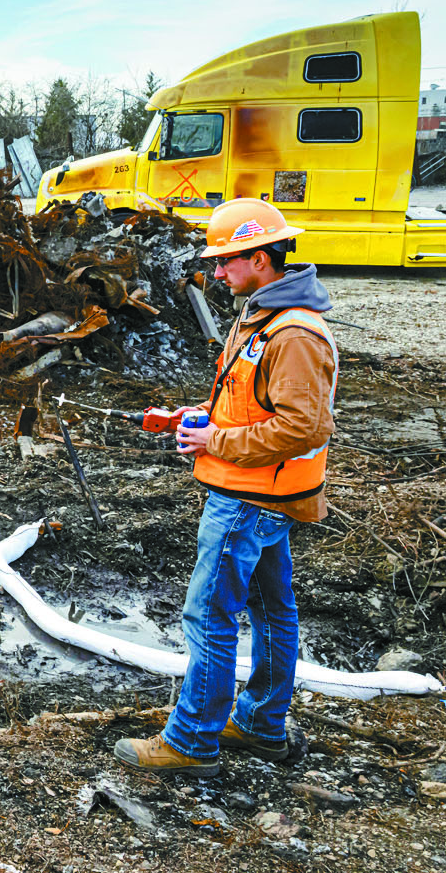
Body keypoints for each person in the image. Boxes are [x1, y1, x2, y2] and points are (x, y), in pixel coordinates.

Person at [115, 198, 337, 777]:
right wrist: (202, 417)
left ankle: (191, 741)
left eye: (225, 261)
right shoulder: (261, 315)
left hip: (250, 498)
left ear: (260, 259)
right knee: (271, 611)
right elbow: (256, 404)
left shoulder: (294, 333)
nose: (216, 273)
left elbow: (302, 425)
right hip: (258, 492)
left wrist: (216, 442)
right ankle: (262, 725)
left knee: (208, 615)